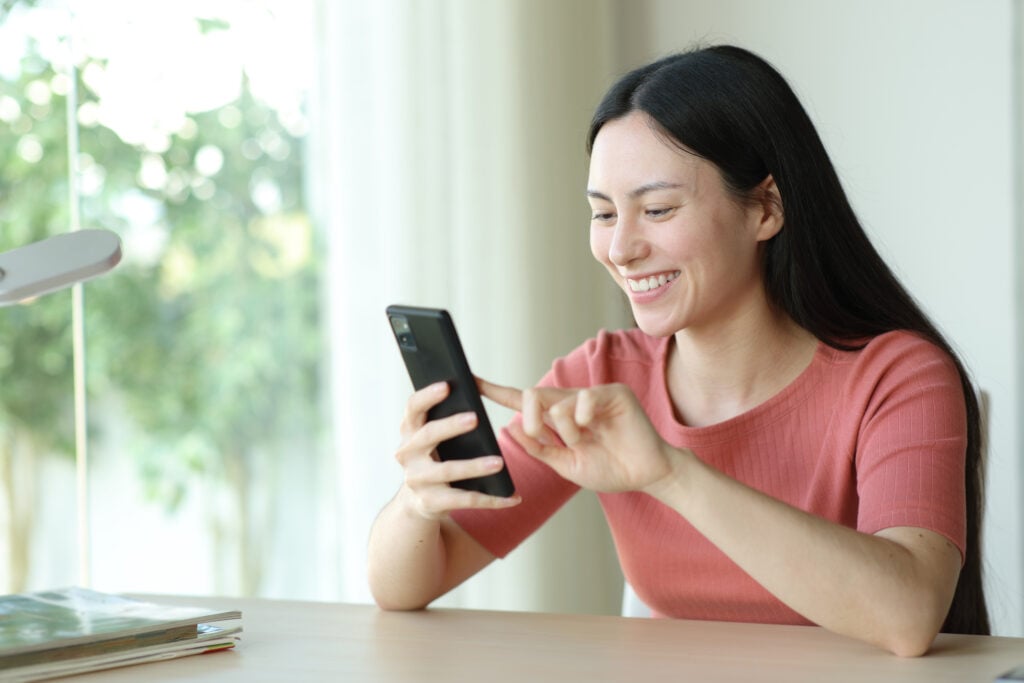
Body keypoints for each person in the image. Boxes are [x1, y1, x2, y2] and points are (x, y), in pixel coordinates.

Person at [366, 44, 989, 657]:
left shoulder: (897, 377)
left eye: (658, 209)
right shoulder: (601, 378)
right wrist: (418, 502)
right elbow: (405, 585)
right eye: (603, 214)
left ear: (766, 208)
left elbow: (909, 614)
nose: (621, 249)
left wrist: (669, 473)